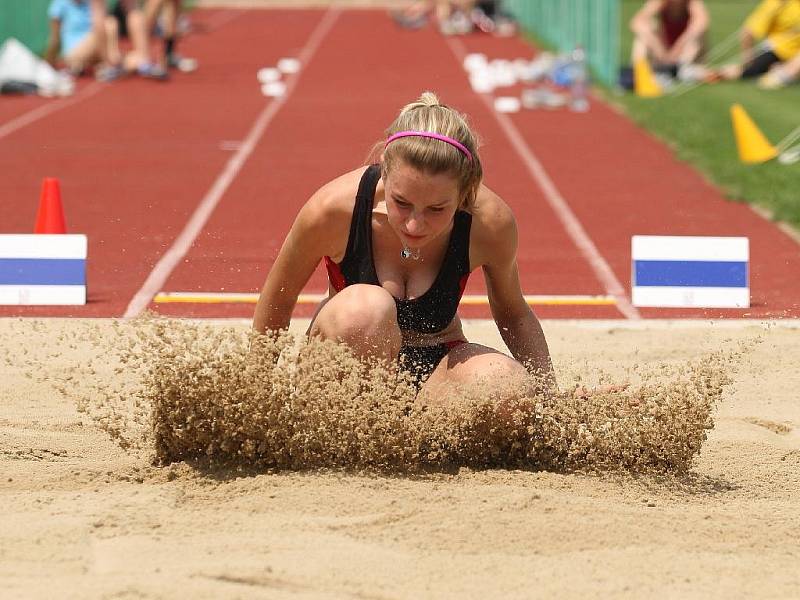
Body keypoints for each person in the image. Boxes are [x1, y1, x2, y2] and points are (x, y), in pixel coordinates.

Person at [253, 92, 555, 401]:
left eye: (436, 209)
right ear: (384, 168)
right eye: (401, 203)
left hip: (435, 370)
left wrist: (549, 397)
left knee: (508, 389)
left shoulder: (490, 223)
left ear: (466, 192)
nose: (414, 225)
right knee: (365, 311)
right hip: (346, 371)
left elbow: (513, 314)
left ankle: (415, 442)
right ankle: (345, 439)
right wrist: (257, 394)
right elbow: (280, 297)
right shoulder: (332, 211)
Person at [714, 0, 800, 81]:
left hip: (794, 55)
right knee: (746, 73)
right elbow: (748, 32)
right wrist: (747, 56)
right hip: (777, 51)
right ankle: (712, 73)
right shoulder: (778, 3)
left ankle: (779, 74)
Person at [44, 0, 124, 81]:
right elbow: (55, 38)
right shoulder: (60, 3)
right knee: (108, 25)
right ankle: (109, 64)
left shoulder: (91, 2)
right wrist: (49, 62)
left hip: (94, 48)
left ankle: (108, 64)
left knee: (110, 24)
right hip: (74, 51)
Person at [629, 0, 709, 79]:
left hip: (685, 53)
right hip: (664, 51)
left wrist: (679, 47)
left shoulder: (692, 3)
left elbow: (702, 23)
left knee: (697, 35)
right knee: (645, 32)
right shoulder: (660, 2)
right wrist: (658, 48)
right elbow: (637, 22)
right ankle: (637, 70)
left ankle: (679, 69)